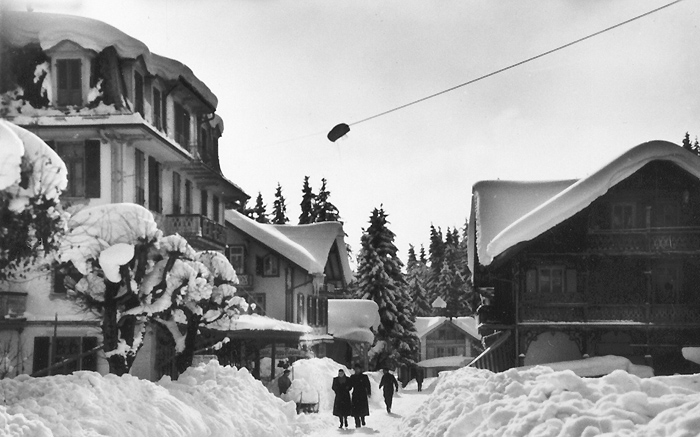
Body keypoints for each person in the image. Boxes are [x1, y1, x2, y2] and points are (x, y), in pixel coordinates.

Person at [349, 363, 371, 428]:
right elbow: (350, 385)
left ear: (360, 370)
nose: (356, 370)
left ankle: (363, 419)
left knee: (362, 408)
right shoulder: (352, 377)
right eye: (355, 369)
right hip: (355, 394)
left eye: (358, 369)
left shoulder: (364, 377)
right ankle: (357, 423)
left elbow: (368, 385)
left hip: (362, 394)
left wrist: (369, 392)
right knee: (355, 410)